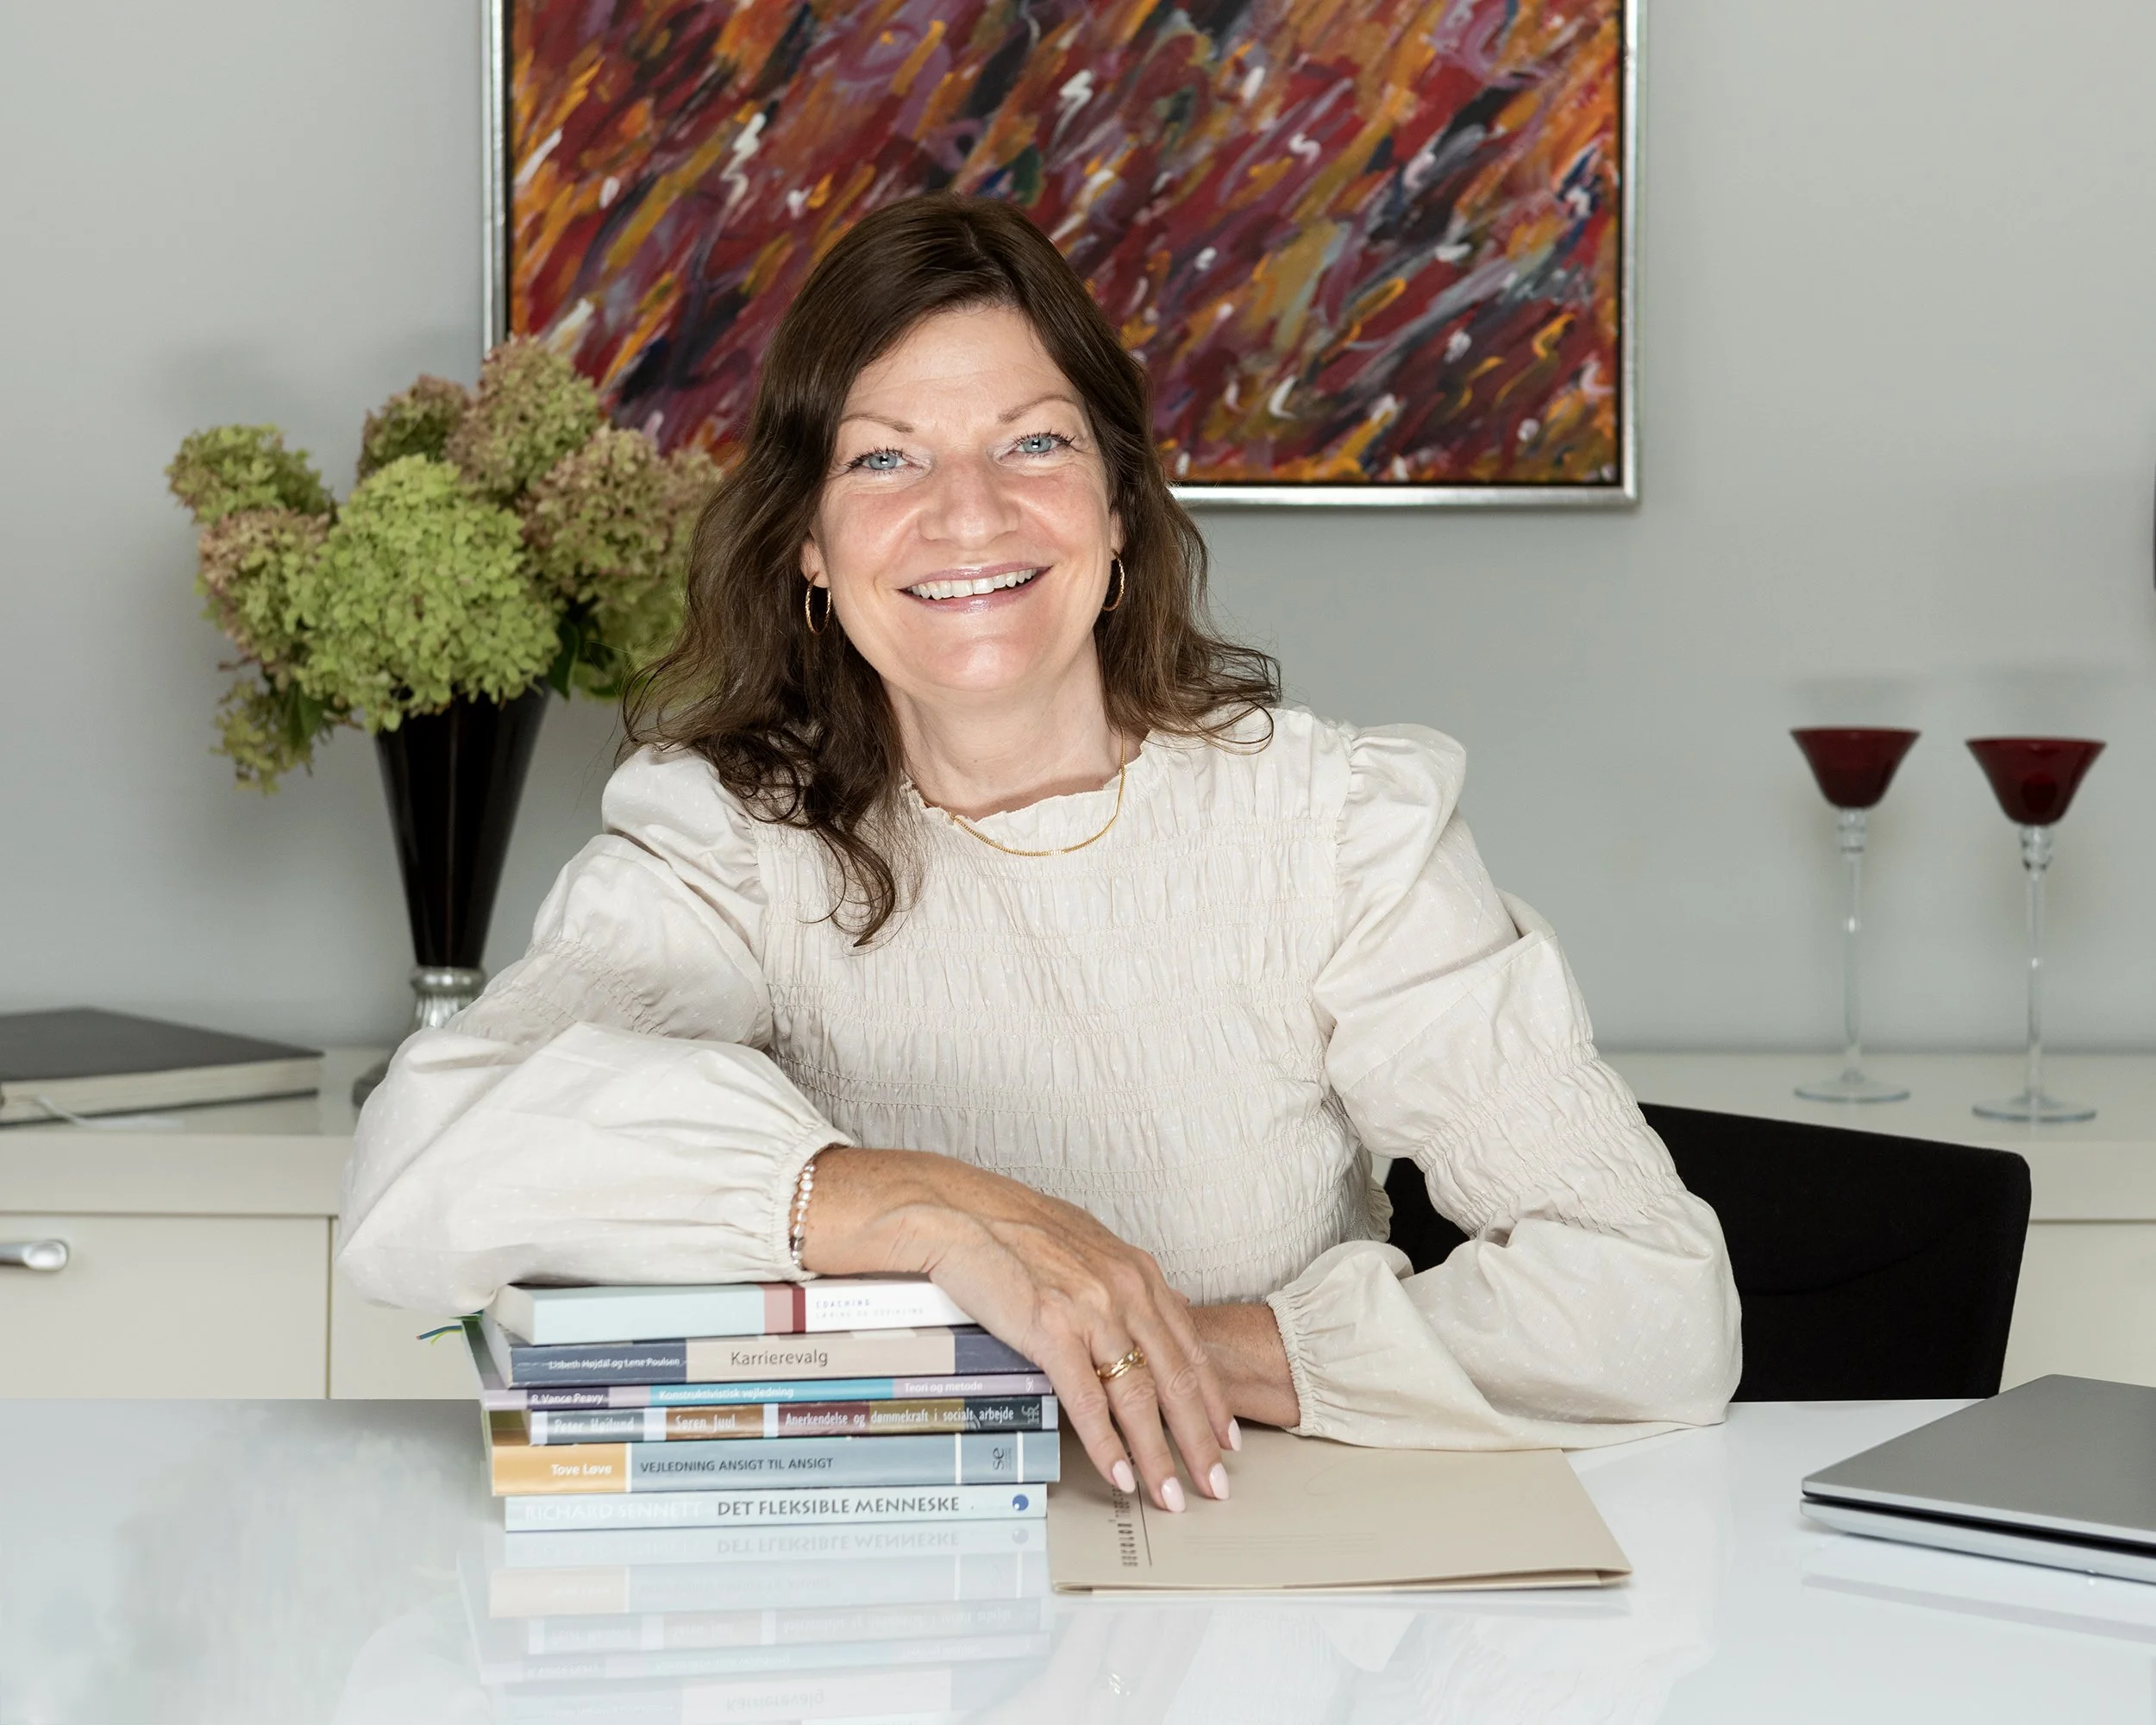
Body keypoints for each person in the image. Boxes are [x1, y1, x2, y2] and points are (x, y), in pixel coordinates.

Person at [336, 193, 1739, 1516]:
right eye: (885, 457)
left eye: (1034, 443)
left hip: (1254, 1592)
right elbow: (420, 1165)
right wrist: (937, 1214)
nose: (969, 514)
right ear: (810, 544)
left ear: (1118, 506)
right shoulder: (724, 839)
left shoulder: (1337, 826)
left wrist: (1156, 1346)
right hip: (871, 1623)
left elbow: (1652, 1306)